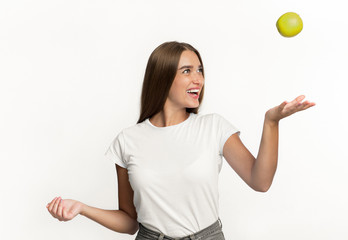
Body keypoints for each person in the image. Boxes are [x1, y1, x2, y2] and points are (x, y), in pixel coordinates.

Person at [46, 41, 315, 239]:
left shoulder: (213, 127)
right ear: (162, 77)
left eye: (200, 70)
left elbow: (261, 182)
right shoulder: (127, 141)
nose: (198, 78)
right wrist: (81, 208)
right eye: (187, 70)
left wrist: (271, 122)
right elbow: (130, 222)